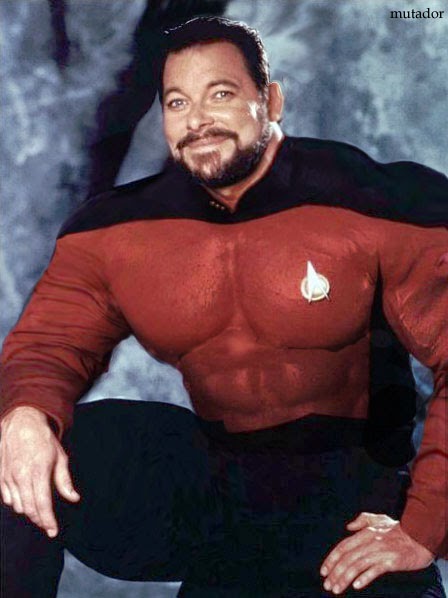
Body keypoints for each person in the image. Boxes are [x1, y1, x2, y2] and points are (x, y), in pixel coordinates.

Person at [1, 16, 447, 598]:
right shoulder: (116, 231)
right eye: (177, 102)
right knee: (20, 449)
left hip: (351, 505)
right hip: (218, 495)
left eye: (220, 94)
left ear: (271, 100)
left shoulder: (376, 203)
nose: (197, 121)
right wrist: (27, 415)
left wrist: (424, 527)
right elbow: (47, 346)